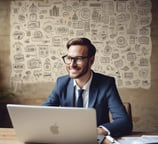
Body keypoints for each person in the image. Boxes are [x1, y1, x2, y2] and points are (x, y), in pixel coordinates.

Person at [43, 37, 133, 137]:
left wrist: (98, 131)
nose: (72, 64)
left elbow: (124, 122)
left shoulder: (106, 83)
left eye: (79, 59)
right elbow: (43, 114)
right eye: (69, 58)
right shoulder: (61, 83)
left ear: (91, 60)